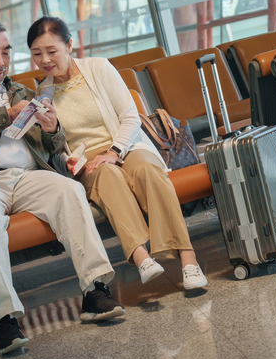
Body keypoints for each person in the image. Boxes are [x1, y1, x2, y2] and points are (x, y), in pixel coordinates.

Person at [0, 18, 125, 357]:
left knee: (68, 191)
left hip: (26, 177)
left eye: (5, 52)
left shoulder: (21, 91)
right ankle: (4, 319)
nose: (0, 61)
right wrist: (5, 115)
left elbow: (50, 147)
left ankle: (95, 291)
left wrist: (52, 130)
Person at [28, 16, 208, 290]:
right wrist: (68, 159)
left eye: (52, 51)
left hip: (126, 144)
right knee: (108, 175)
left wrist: (114, 151)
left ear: (69, 45)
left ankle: (188, 257)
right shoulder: (43, 93)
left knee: (147, 169)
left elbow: (130, 117)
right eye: (37, 54)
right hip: (89, 161)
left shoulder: (98, 68)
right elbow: (54, 150)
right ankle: (141, 256)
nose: (45, 60)